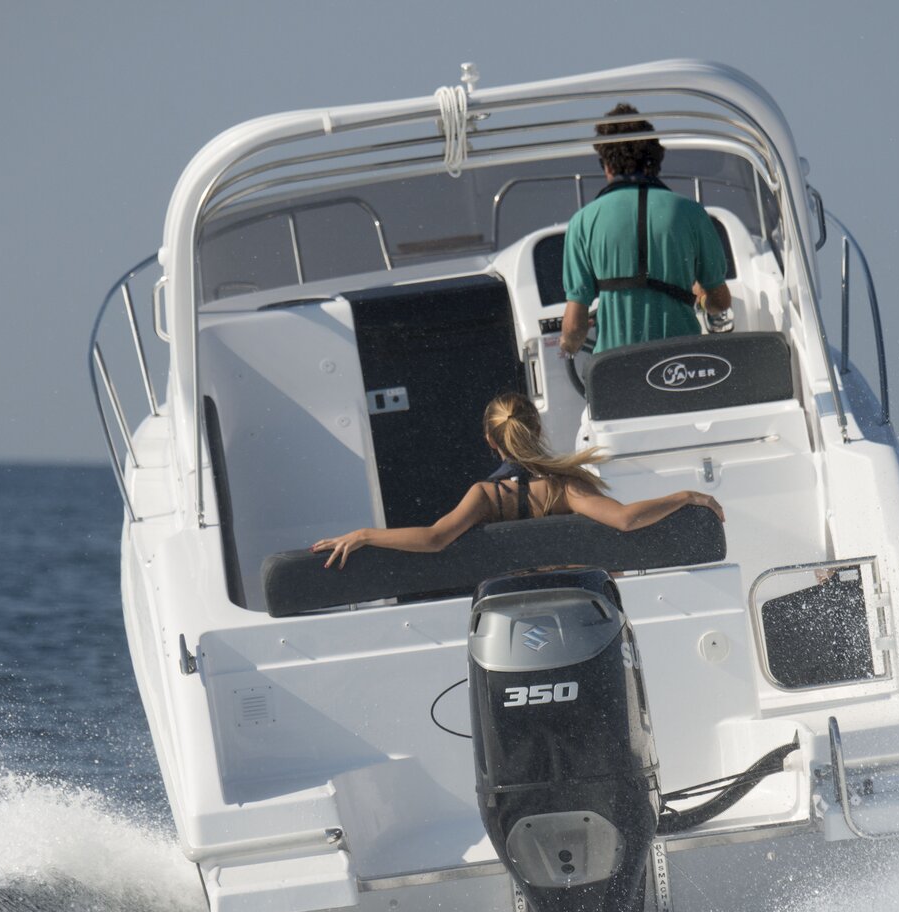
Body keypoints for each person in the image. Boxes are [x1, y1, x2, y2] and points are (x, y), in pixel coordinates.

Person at [311, 393, 723, 567]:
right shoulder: (564, 486)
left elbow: (434, 539)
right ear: (536, 428)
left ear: (491, 441)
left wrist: (365, 535)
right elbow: (626, 520)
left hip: (516, 607)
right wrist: (686, 495)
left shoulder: (486, 496)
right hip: (574, 595)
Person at [559, 104, 734, 361]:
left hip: (617, 368)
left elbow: (575, 329)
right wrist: (702, 299)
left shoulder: (582, 223)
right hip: (682, 365)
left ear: (606, 164)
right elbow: (720, 302)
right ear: (655, 160)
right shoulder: (692, 213)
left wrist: (567, 344)